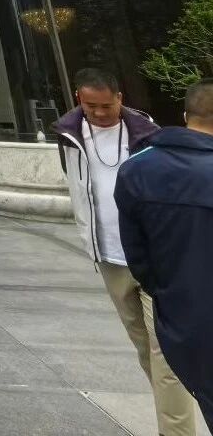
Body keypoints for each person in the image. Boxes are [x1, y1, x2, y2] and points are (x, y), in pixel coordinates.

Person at [55, 68, 196, 436]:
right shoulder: (68, 135)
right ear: (78, 99)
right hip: (110, 258)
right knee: (144, 350)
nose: (100, 113)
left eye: (107, 105)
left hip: (154, 259)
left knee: (165, 354)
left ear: (120, 98)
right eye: (91, 106)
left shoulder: (148, 134)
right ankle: (175, 413)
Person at [116, 79, 213, 428]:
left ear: (186, 115)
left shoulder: (136, 170)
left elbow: (139, 258)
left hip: (186, 320)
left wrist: (169, 294)